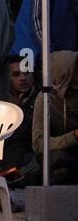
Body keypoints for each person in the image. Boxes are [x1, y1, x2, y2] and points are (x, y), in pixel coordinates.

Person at [32, 50, 78, 184]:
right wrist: (73, 136)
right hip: (57, 152)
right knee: (60, 163)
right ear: (64, 72)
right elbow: (38, 143)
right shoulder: (45, 98)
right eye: (75, 70)